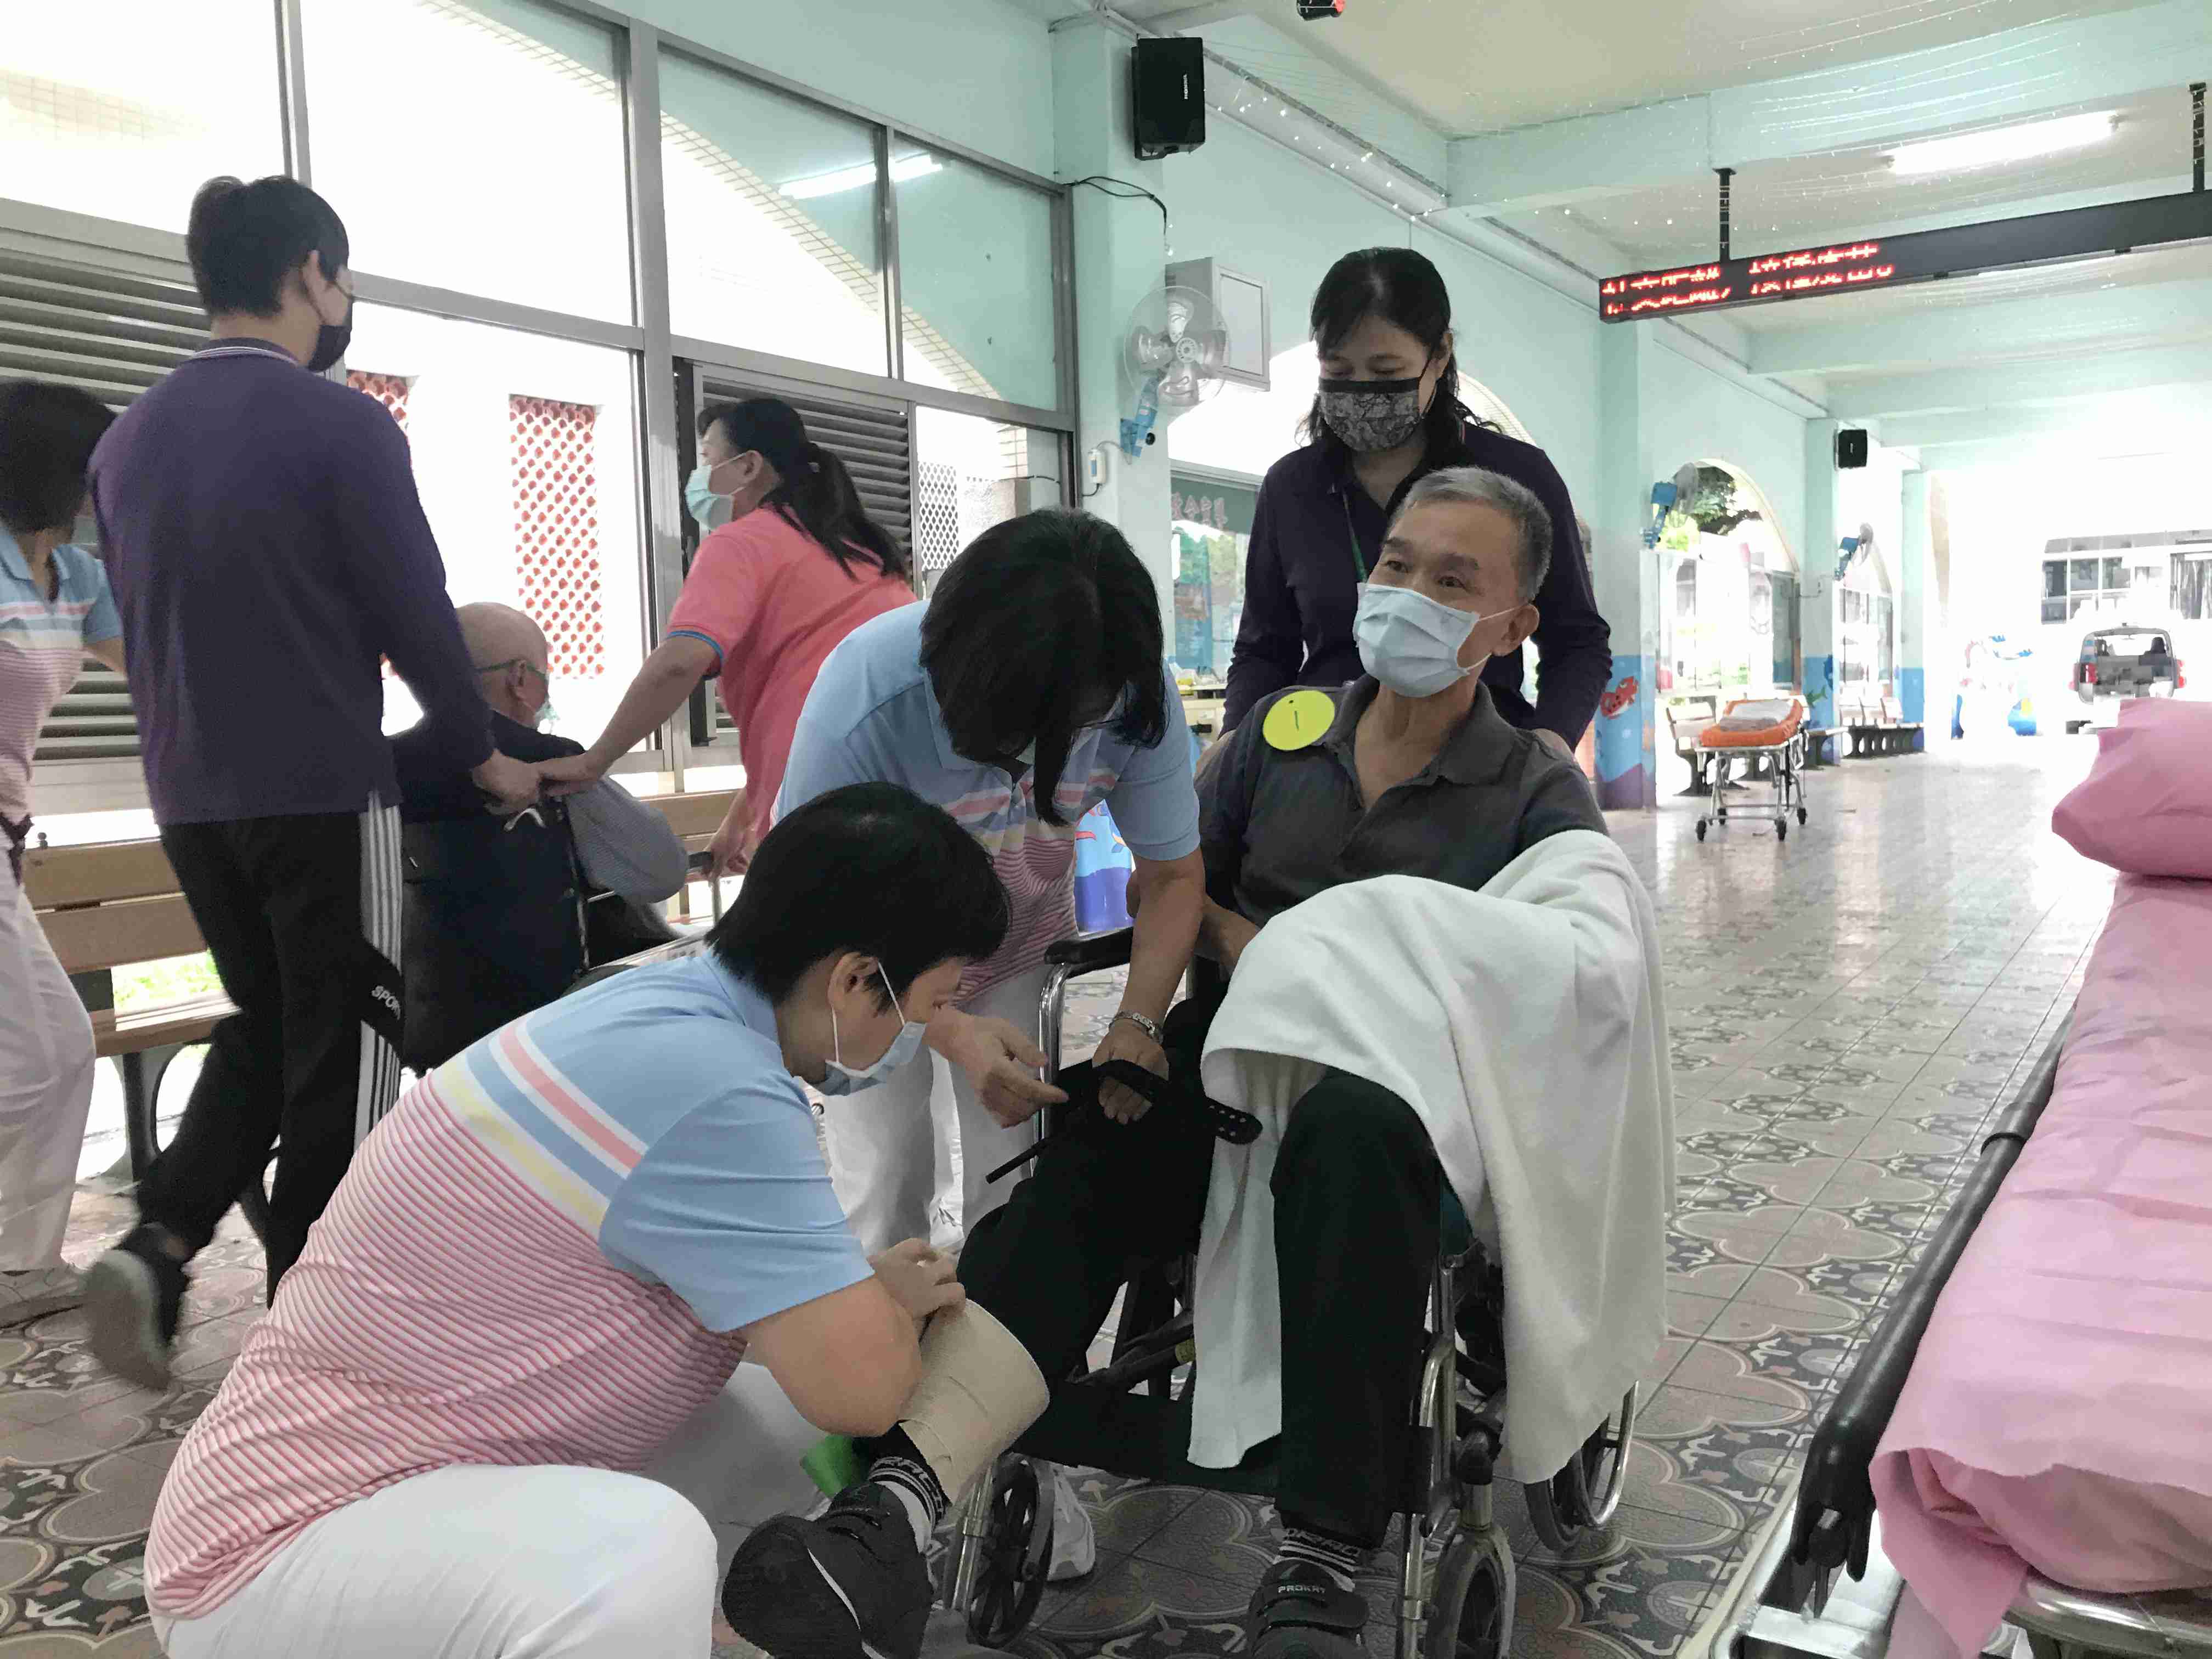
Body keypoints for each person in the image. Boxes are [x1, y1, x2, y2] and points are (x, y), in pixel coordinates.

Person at [811, 467, 1617, 1653]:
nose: (1410, 594)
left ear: (1513, 626)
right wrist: (1178, 1005)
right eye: (1398, 565)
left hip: (1401, 1096)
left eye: (1455, 581)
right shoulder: (1281, 740)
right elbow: (1182, 887)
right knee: (1099, 1126)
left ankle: (1322, 1554)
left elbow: (1573, 969)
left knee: (1352, 1130)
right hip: (1233, 1051)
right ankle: (903, 1491)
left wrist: (1349, 960)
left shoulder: (1536, 789)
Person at [145, 783, 1046, 1659]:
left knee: (790, 1431)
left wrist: (853, 1304)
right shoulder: (718, 1083)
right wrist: (884, 1309)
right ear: (854, 980)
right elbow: (865, 1391)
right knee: (638, 1558)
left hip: (386, 1484)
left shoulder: (663, 1005)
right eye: (932, 1005)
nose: (927, 1030)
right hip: (269, 1555)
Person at [82, 176, 542, 1386]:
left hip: (191, 796)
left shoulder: (125, 441)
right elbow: (414, 611)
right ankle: (322, 1349)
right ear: (310, 273)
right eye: (342, 279)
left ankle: (160, 1243)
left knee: (277, 1021)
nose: (345, 302)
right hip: (323, 789)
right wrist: (480, 747)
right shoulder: (341, 426)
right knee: (356, 1057)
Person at [777, 508, 1206, 1582]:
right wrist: (948, 1027)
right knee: (884, 1185)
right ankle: (861, 1449)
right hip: (864, 962)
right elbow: (816, 907)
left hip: (1010, 941)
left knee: (1014, 1204)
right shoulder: (869, 691)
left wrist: (1137, 1023)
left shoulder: (1134, 695)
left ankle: (1003, 1444)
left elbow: (1171, 877)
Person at [1224, 246, 1611, 750]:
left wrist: (1549, 745)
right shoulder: (1292, 486)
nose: (1361, 391)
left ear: (1440, 354)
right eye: (1339, 373)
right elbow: (1264, 650)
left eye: (1386, 373)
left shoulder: (1515, 478)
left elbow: (1577, 641)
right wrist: (1232, 745)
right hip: (1321, 757)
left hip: (1481, 762)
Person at [540, 397, 913, 876]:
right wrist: (741, 820)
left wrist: (592, 762)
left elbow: (681, 662)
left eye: (708, 459)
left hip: (822, 807)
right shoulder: (864, 552)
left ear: (749, 466)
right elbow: (806, 701)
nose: (700, 478)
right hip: (910, 791)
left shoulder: (742, 543)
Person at [392, 603, 687, 1073]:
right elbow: (661, 872)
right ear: (521, 679)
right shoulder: (553, 760)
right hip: (547, 1033)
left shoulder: (389, 763)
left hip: (429, 1030)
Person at [0, 380, 126, 1328]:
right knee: (42, 1053)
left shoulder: (77, 575)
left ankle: (19, 1265)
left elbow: (161, 669)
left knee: (55, 1049)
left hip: (6, 836)